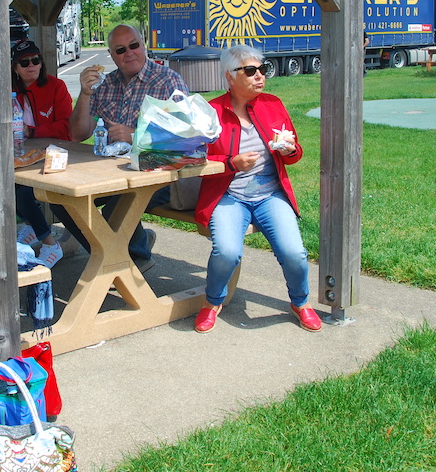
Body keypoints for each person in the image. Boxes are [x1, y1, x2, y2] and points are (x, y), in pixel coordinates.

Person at [192, 44, 322, 334]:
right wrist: (231, 163)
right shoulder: (212, 111)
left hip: (270, 195)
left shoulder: (273, 104)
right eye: (250, 71)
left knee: (294, 253)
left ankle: (300, 302)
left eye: (262, 70)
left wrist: (289, 150)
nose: (259, 76)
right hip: (229, 196)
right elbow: (194, 158)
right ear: (229, 76)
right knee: (226, 252)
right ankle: (212, 302)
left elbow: (295, 151)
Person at [58, 24, 189, 272]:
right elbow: (77, 134)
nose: (129, 53)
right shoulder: (105, 85)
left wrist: (136, 135)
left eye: (134, 45)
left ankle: (135, 257)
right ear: (111, 55)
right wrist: (85, 94)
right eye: (120, 49)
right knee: (61, 198)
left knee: (119, 200)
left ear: (144, 45)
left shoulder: (168, 81)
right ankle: (117, 252)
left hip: (159, 174)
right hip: (111, 172)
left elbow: (185, 137)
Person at [10, 39, 73, 266]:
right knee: (5, 184)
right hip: (24, 154)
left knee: (24, 193)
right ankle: (30, 227)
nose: (31, 66)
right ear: (15, 68)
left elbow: (68, 126)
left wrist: (34, 131)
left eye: (36, 60)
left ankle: (50, 244)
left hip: (57, 154)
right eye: (24, 62)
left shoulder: (56, 86)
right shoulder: (10, 92)